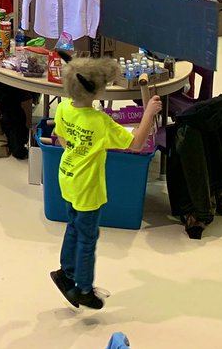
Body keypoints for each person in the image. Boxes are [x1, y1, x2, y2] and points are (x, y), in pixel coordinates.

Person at [49, 57, 161, 310]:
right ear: (96, 90)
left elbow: (62, 138)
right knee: (88, 238)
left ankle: (66, 272)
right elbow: (137, 144)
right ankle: (83, 289)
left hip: (68, 177)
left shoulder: (64, 108)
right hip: (88, 188)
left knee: (73, 226)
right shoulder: (100, 123)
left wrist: (79, 150)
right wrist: (148, 113)